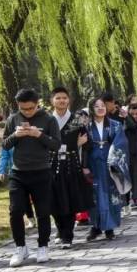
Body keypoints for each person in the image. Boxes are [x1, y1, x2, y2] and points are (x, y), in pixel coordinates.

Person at [3, 88, 61, 267]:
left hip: (41, 171)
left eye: (30, 108)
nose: (27, 112)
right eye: (23, 109)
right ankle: (20, 247)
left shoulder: (49, 119)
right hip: (18, 173)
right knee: (15, 210)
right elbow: (5, 144)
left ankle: (43, 246)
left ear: (37, 104)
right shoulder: (13, 118)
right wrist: (16, 135)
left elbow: (56, 145)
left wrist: (39, 135)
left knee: (43, 211)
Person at [49, 87, 93, 249]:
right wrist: (74, 144)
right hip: (51, 164)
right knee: (54, 199)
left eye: (64, 98)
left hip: (71, 164)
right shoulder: (47, 120)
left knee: (70, 198)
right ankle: (60, 230)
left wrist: (80, 146)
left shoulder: (78, 119)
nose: (61, 100)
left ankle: (68, 235)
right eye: (58, 98)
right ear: (52, 101)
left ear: (69, 100)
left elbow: (88, 142)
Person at [86, 97, 130, 242]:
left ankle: (109, 228)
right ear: (91, 109)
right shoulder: (86, 126)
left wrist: (113, 159)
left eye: (102, 105)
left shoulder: (115, 125)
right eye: (96, 106)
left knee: (110, 193)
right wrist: (84, 165)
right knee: (94, 194)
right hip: (93, 162)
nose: (100, 108)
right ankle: (96, 226)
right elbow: (82, 147)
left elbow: (121, 142)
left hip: (110, 163)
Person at [0, 147, 36, 229]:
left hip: (33, 173)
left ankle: (43, 221)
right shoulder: (9, 140)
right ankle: (30, 219)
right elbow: (4, 156)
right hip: (15, 175)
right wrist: (1, 171)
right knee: (21, 199)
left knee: (36, 199)